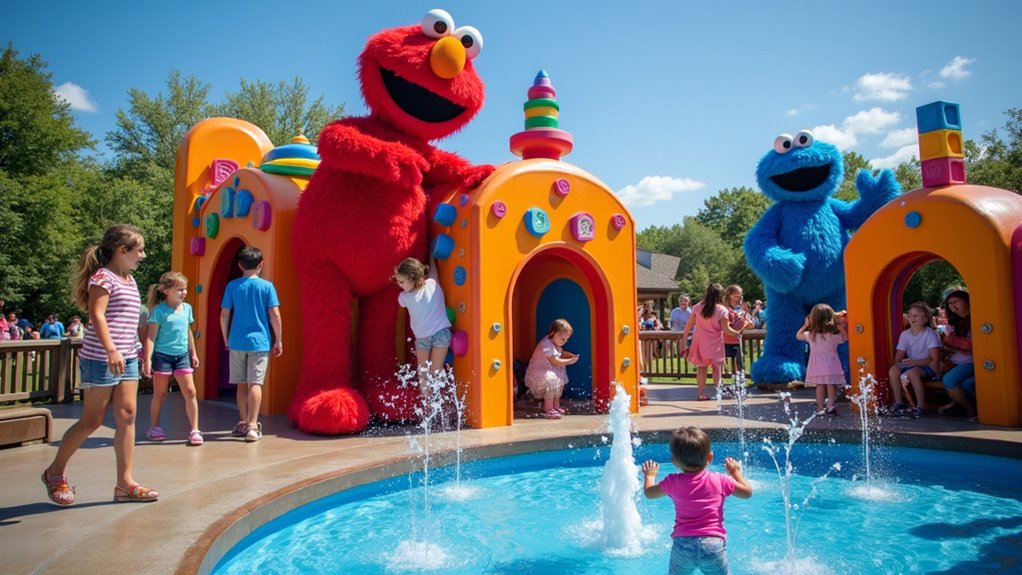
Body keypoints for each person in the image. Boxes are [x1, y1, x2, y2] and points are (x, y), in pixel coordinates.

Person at [41, 224, 158, 506]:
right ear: (122, 250)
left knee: (128, 416)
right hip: (101, 358)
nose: (143, 255)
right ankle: (54, 473)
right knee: (92, 420)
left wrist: (137, 352)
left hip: (128, 356)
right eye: (139, 250)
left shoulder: (129, 280)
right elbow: (97, 315)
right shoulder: (102, 278)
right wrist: (110, 350)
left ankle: (125, 484)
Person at [641, 427, 753, 575]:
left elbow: (649, 493)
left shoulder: (672, 482)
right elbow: (747, 492)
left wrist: (650, 476)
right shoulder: (720, 480)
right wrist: (735, 472)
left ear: (674, 460)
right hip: (713, 546)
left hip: (682, 547)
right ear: (710, 457)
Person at [220, 247, 282, 442]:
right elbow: (274, 314)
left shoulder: (232, 286)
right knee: (255, 383)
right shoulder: (267, 287)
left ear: (240, 265)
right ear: (261, 264)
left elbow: (224, 314)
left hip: (237, 341)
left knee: (241, 384)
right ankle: (253, 426)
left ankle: (243, 421)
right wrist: (278, 339)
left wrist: (226, 338)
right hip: (259, 342)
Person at [143, 272, 202, 445]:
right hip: (163, 356)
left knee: (191, 392)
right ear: (166, 290)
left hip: (182, 356)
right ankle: (154, 427)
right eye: (179, 289)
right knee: (160, 393)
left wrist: (194, 353)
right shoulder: (159, 311)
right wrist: (147, 359)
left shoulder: (187, 308)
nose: (183, 292)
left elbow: (188, 331)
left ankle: (195, 430)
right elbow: (151, 337)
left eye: (184, 289)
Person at [393, 257, 452, 401]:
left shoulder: (404, 297)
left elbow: (402, 304)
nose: (399, 285)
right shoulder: (433, 283)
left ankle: (429, 404)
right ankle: (437, 401)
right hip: (440, 334)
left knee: (423, 372)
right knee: (435, 371)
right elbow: (433, 272)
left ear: (412, 279)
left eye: (401, 282)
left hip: (426, 338)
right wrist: (432, 257)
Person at [680, 283, 742, 401]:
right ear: (720, 295)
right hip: (715, 343)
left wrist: (684, 342)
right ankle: (718, 393)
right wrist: (737, 333)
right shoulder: (722, 310)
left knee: (701, 368)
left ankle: (701, 394)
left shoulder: (697, 307)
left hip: (700, 342)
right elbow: (726, 329)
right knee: (716, 369)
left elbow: (687, 327)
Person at [886, 302, 941, 419]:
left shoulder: (930, 334)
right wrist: (898, 363)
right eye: (910, 315)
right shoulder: (905, 334)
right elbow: (898, 357)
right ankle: (899, 403)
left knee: (912, 373)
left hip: (929, 367)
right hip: (913, 366)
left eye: (915, 316)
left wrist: (915, 363)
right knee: (893, 371)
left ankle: (920, 406)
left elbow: (933, 359)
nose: (912, 318)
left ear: (925, 319)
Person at [797, 303, 848, 415]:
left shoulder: (811, 335)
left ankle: (820, 408)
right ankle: (831, 405)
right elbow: (845, 337)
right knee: (831, 384)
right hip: (832, 363)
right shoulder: (833, 335)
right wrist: (840, 326)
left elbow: (798, 335)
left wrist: (805, 325)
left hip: (816, 364)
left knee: (819, 386)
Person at [523, 319, 579, 419]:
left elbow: (560, 354)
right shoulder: (546, 344)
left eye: (566, 339)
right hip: (538, 374)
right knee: (553, 378)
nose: (565, 342)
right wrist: (570, 361)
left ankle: (556, 405)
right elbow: (554, 361)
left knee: (560, 374)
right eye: (563, 339)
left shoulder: (556, 344)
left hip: (548, 372)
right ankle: (548, 407)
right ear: (553, 333)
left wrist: (569, 356)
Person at [938, 290, 976, 419]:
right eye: (949, 303)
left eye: (955, 301)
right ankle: (961, 407)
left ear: (966, 300)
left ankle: (969, 409)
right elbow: (945, 344)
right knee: (966, 385)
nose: (952, 305)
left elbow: (970, 346)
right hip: (956, 363)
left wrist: (950, 340)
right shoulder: (956, 323)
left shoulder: (976, 318)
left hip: (972, 363)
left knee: (949, 380)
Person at [722, 285, 753, 378]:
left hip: (739, 339)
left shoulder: (742, 307)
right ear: (730, 294)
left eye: (740, 293)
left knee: (740, 363)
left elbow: (749, 323)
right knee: (724, 363)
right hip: (726, 340)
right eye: (736, 294)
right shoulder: (725, 308)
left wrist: (747, 322)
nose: (739, 296)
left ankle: (740, 381)